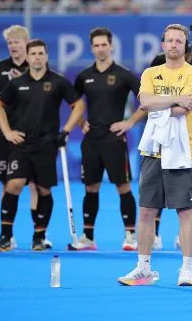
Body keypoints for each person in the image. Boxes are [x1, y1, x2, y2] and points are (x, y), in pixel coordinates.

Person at [117, 23, 192, 286]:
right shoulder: (150, 73)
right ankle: (143, 268)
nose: (175, 45)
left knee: (184, 211)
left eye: (180, 41)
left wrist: (162, 102)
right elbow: (144, 103)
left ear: (185, 46)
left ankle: (187, 269)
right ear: (163, 45)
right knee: (146, 211)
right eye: (170, 41)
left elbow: (185, 109)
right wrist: (173, 100)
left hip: (182, 151)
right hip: (153, 149)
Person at [0, 39, 85, 251]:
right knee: (13, 185)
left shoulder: (57, 81)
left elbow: (78, 105)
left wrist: (66, 130)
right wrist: (7, 131)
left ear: (46, 56)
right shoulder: (17, 82)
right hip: (21, 144)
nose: (37, 57)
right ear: (27, 57)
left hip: (46, 144)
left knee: (43, 190)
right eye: (33, 54)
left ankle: (39, 236)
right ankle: (5, 237)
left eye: (41, 53)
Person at [72, 27, 147, 251]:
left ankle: (130, 236)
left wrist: (129, 122)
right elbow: (74, 104)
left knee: (123, 187)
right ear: (92, 48)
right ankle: (88, 237)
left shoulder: (124, 74)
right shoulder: (84, 76)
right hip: (91, 140)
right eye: (96, 45)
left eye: (104, 44)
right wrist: (81, 123)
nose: (101, 49)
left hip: (115, 139)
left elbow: (146, 101)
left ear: (111, 46)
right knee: (90, 188)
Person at [0, 25, 48, 250]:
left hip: (35, 136)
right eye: (10, 43)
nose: (13, 47)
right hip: (8, 134)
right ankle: (6, 236)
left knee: (36, 186)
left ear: (27, 43)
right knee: (8, 184)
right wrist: (13, 90)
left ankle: (38, 235)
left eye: (17, 42)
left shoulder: (38, 66)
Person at [149, 47, 192, 250]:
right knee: (158, 186)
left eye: (179, 43)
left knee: (186, 188)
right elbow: (147, 97)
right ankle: (154, 234)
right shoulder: (157, 63)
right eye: (169, 41)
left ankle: (183, 235)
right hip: (161, 130)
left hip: (188, 134)